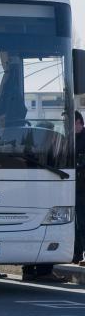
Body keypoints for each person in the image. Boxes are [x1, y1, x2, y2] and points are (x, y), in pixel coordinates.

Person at [75, 111, 85, 265]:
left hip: (82, 187)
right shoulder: (71, 138)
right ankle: (76, 254)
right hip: (74, 186)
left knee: (82, 222)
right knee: (75, 223)